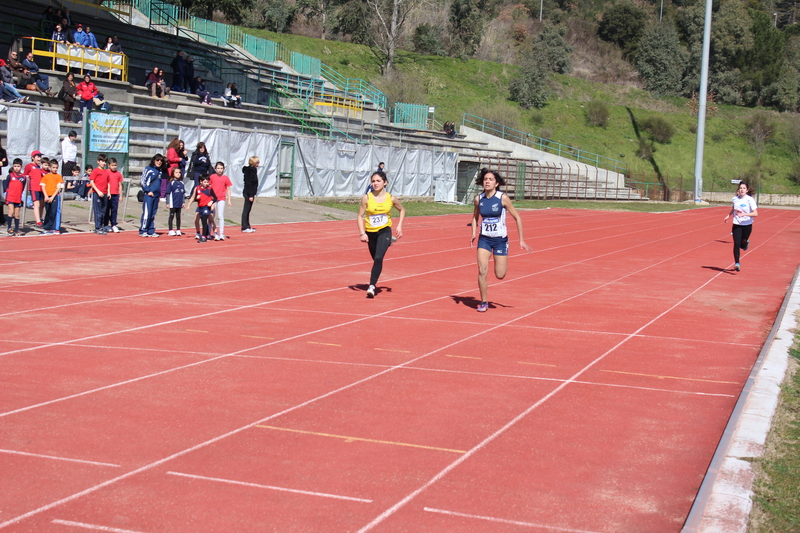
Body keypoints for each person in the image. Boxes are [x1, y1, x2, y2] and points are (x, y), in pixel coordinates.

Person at [470, 168, 531, 312]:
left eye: (490, 179)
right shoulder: (479, 199)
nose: (487, 181)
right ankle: (483, 302)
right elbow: (474, 217)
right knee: (482, 270)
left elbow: (517, 217)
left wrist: (521, 240)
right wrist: (473, 232)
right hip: (484, 239)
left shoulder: (502, 198)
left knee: (500, 275)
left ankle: (501, 260)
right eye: (485, 179)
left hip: (500, 240)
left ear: (496, 183)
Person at [357, 171, 405, 298]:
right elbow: (359, 216)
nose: (375, 183)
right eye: (373, 181)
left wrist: (399, 225)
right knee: (376, 259)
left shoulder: (391, 198)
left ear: (385, 182)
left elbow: (402, 210)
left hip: (384, 230)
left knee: (378, 258)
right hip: (371, 232)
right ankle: (387, 242)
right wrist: (362, 233)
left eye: (378, 181)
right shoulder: (366, 198)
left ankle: (372, 286)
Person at [724, 181, 758, 272]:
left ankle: (745, 243)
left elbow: (755, 213)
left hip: (747, 225)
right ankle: (737, 263)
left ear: (747, 190)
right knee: (736, 243)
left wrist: (744, 215)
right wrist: (728, 215)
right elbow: (733, 208)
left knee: (742, 244)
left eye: (744, 188)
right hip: (737, 224)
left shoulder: (750, 200)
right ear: (738, 189)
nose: (742, 190)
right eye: (740, 188)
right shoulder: (735, 199)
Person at [186, 174, 217, 242]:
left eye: (207, 182)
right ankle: (201, 233)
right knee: (196, 219)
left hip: (206, 207)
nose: (207, 183)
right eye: (205, 182)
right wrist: (188, 205)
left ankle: (204, 236)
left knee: (205, 221)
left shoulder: (209, 189)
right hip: (200, 207)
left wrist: (211, 202)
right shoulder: (197, 188)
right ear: (201, 181)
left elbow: (215, 198)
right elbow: (193, 198)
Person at [139, 154, 164, 237]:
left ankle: (151, 230)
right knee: (147, 212)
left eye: (161, 160)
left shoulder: (160, 171)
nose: (159, 162)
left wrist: (159, 195)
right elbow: (143, 181)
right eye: (157, 160)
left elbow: (159, 184)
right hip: (149, 195)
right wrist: (148, 190)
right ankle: (143, 230)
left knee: (153, 213)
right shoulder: (148, 169)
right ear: (154, 160)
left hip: (156, 195)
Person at [210, 161, 232, 240]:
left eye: (221, 168)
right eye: (218, 168)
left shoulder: (225, 178)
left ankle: (221, 233)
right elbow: (209, 187)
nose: (219, 170)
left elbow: (228, 189)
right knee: (211, 215)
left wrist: (229, 200)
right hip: (213, 199)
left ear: (223, 169)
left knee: (220, 215)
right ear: (215, 168)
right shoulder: (212, 177)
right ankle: (209, 232)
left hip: (221, 198)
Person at [40, 160, 64, 235]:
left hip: (55, 196)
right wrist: (46, 196)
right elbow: (43, 186)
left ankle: (55, 228)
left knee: (55, 212)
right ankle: (47, 227)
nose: (55, 169)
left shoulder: (58, 177)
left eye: (56, 168)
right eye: (53, 167)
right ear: (49, 167)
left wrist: (52, 197)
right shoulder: (46, 176)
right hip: (47, 196)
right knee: (48, 212)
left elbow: (58, 188)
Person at [89, 154, 109, 235]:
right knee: (98, 211)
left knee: (103, 211)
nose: (104, 163)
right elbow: (92, 182)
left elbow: (108, 182)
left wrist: (109, 192)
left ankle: (102, 226)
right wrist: (98, 191)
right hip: (97, 194)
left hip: (105, 193)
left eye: (105, 162)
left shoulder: (106, 172)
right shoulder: (95, 171)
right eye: (102, 161)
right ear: (98, 162)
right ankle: (98, 227)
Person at [5, 159, 25, 236]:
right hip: (10, 197)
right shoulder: (10, 175)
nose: (16, 168)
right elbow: (6, 185)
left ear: (21, 167)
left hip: (18, 198)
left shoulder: (23, 177)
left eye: (18, 166)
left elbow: (22, 186)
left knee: (17, 214)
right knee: (11, 212)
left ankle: (17, 229)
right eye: (15, 166)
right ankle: (9, 228)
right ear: (13, 167)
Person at [25, 151, 45, 227]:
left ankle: (40, 218)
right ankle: (38, 221)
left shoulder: (39, 167)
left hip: (40, 188)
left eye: (40, 157)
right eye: (37, 157)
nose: (39, 158)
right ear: (33, 158)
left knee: (42, 204)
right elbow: (25, 175)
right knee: (37, 204)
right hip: (34, 187)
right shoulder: (29, 166)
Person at [104, 157, 124, 233]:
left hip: (115, 194)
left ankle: (113, 224)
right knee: (106, 210)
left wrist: (120, 195)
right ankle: (106, 224)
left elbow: (120, 185)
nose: (114, 167)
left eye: (115, 165)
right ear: (108, 165)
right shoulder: (106, 172)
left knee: (114, 210)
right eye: (112, 165)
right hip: (108, 194)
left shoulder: (118, 174)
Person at [166, 167, 185, 236]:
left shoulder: (182, 183)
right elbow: (168, 193)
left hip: (179, 203)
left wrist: (183, 202)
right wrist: (168, 202)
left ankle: (178, 229)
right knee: (171, 216)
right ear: (173, 174)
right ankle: (170, 230)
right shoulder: (171, 183)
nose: (178, 174)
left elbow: (183, 193)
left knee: (178, 216)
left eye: (179, 172)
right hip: (172, 203)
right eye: (176, 173)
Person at [241, 157, 259, 233]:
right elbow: (249, 183)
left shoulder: (253, 170)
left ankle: (247, 225)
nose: (258, 163)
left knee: (248, 210)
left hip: (251, 192)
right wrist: (250, 195)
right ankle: (244, 226)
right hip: (248, 193)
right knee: (246, 210)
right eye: (257, 162)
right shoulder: (249, 171)